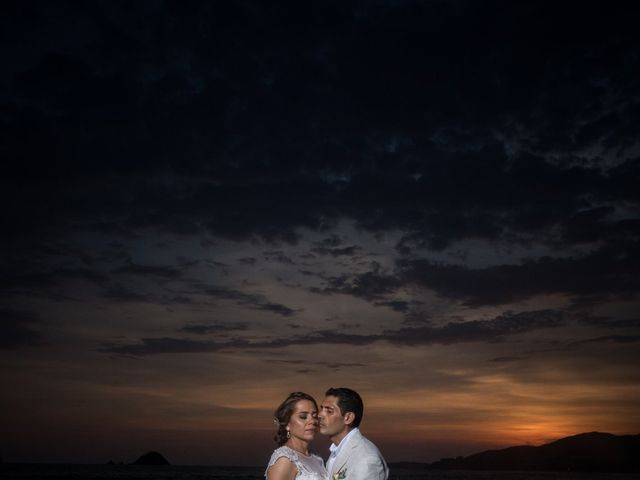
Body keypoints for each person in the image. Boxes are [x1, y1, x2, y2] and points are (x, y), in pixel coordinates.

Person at [318, 387, 388, 480]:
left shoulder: (366, 460)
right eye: (322, 409)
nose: (320, 415)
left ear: (348, 418)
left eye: (329, 411)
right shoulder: (337, 450)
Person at [266, 392, 328, 480]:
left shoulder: (316, 458)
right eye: (303, 417)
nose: (312, 421)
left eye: (314, 416)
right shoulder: (285, 460)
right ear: (287, 424)